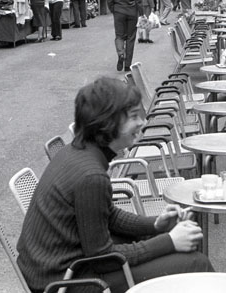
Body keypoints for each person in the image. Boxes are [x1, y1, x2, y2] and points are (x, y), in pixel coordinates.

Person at [16, 78, 214, 293]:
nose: (142, 122)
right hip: (65, 281)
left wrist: (156, 225)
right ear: (107, 123)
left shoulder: (76, 151)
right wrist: (169, 241)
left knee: (172, 242)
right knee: (196, 263)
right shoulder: (91, 176)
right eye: (133, 117)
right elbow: (102, 258)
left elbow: (107, 215)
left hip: (56, 268)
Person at [105, 0, 142, 72]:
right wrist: (141, 13)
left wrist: (113, 8)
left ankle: (121, 53)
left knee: (119, 35)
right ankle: (128, 64)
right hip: (132, 10)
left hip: (118, 9)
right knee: (131, 37)